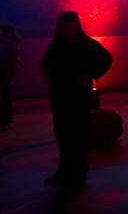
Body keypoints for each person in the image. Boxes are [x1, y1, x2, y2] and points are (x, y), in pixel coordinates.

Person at [40, 11, 113, 187]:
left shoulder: (85, 43)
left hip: (77, 96)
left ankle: (78, 173)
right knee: (62, 134)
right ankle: (65, 170)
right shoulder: (57, 44)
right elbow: (45, 62)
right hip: (59, 95)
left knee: (77, 134)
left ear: (77, 24)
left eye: (70, 22)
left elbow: (107, 58)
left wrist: (90, 74)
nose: (67, 26)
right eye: (64, 22)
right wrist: (47, 72)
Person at [0, 24, 20, 131]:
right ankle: (7, 120)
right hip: (7, 71)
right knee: (5, 95)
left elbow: (1, 56)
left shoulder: (6, 43)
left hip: (2, 71)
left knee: (2, 96)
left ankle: (3, 121)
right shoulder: (13, 42)